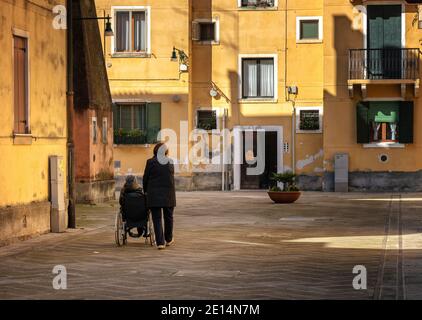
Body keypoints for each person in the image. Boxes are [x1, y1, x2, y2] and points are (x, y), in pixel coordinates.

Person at [143, 142, 176, 250]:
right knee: (169, 217)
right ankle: (169, 239)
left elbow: (145, 178)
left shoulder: (150, 162)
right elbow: (171, 177)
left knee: (157, 218)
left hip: (154, 194)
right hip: (168, 194)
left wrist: (145, 191)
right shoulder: (170, 162)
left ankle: (160, 242)